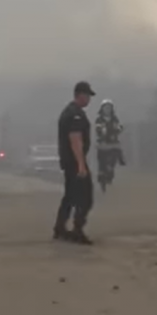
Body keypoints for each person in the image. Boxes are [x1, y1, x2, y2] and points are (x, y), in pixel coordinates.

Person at [53, 81, 96, 245]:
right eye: (88, 96)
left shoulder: (69, 111)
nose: (89, 100)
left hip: (69, 162)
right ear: (81, 95)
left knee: (70, 196)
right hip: (74, 162)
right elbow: (75, 139)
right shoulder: (75, 114)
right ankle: (78, 229)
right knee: (85, 197)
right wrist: (81, 164)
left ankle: (60, 228)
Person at [95, 99, 126, 193]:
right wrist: (103, 131)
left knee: (116, 154)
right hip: (103, 143)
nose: (107, 110)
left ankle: (120, 161)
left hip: (113, 142)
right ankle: (102, 180)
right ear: (102, 109)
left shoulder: (114, 118)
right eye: (106, 108)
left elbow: (119, 127)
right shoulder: (99, 119)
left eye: (109, 108)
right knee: (102, 163)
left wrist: (119, 129)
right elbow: (99, 130)